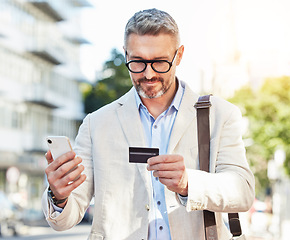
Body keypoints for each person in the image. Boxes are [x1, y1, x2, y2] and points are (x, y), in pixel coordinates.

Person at [42, 8, 255, 240]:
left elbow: (243, 192)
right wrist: (59, 197)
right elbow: (67, 218)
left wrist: (188, 183)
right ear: (126, 55)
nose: (149, 73)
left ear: (179, 56)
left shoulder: (220, 115)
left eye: (160, 62)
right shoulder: (97, 124)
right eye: (138, 62)